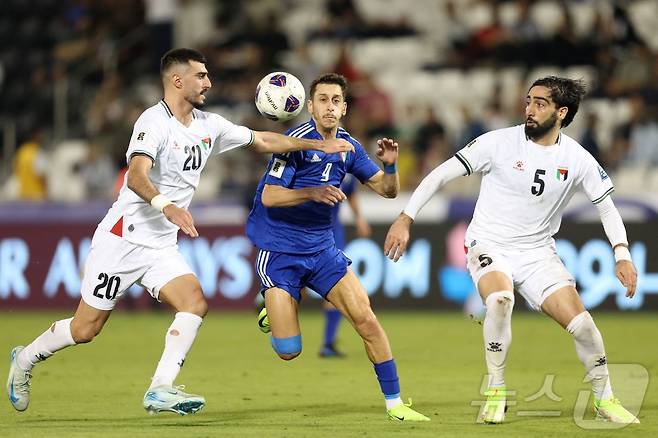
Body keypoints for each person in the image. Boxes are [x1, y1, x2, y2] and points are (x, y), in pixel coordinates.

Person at [6, 48, 353, 416]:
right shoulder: (152, 123)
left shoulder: (209, 125)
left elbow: (263, 140)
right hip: (123, 239)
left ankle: (160, 388)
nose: (209, 82)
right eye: (201, 76)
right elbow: (137, 176)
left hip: (160, 246)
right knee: (85, 329)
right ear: (177, 80)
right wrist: (167, 207)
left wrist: (315, 143)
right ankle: (24, 359)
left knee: (195, 303)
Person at [385, 76, 640, 425]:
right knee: (500, 300)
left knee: (583, 327)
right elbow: (441, 174)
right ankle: (497, 391)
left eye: (540, 104)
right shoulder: (499, 143)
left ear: (561, 113)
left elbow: (607, 207)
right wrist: (405, 217)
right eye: (528, 101)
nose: (529, 110)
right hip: (488, 243)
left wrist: (622, 254)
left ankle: (604, 400)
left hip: (538, 253)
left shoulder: (577, 159)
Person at [248, 73, 429, 422]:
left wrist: (390, 166)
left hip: (322, 251)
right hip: (281, 252)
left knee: (367, 319)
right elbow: (270, 196)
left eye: (335, 101)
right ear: (310, 105)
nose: (329, 107)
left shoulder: (349, 147)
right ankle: (272, 308)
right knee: (289, 351)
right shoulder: (296, 142)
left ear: (344, 107)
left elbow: (387, 190)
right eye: (323, 100)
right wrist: (311, 192)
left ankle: (395, 404)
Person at [319, 174, 371, 357]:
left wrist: (359, 218)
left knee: (335, 285)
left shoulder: (346, 167)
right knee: (295, 287)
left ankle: (328, 342)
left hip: (332, 235)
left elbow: (351, 192)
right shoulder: (311, 158)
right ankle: (275, 316)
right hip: (305, 233)